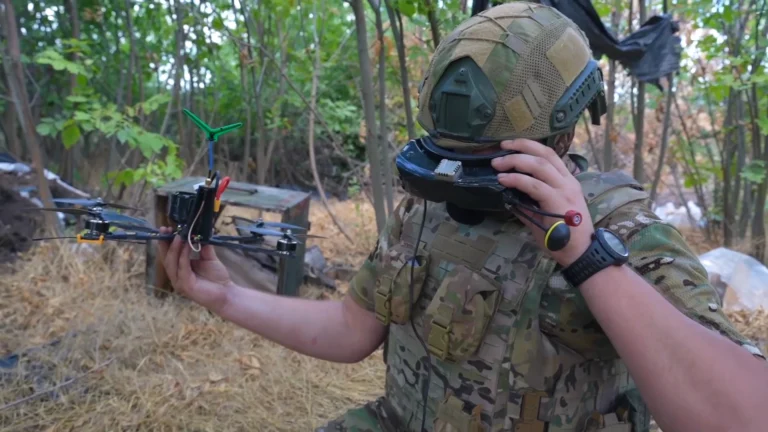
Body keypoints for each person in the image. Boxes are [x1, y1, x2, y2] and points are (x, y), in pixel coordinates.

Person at [157, 3, 768, 432]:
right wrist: (225, 297)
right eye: (452, 160)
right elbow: (351, 328)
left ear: (559, 129)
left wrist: (589, 259)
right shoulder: (428, 205)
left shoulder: (619, 227)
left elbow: (744, 415)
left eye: (489, 163)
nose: (461, 181)